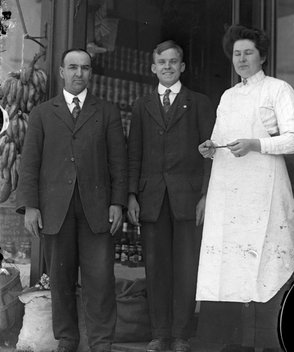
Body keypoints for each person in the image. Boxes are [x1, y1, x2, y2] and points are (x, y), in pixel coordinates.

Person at [196, 25, 294, 352]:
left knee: (264, 264)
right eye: (236, 54)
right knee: (229, 268)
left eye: (248, 53)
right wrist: (209, 148)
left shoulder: (278, 90)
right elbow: (220, 140)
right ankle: (231, 344)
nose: (241, 59)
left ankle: (268, 343)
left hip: (263, 189)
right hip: (229, 193)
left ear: (263, 56)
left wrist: (257, 144)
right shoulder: (228, 96)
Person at [16, 48, 127, 352]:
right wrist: (31, 207)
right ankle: (67, 339)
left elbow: (119, 162)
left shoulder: (107, 111)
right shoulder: (42, 113)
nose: (80, 74)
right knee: (61, 279)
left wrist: (117, 202)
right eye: (73, 67)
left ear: (91, 73)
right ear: (62, 72)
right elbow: (30, 163)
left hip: (97, 209)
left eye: (86, 68)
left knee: (100, 279)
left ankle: (101, 342)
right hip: (56, 209)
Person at [127, 40, 215, 352]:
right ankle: (158, 334)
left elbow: (210, 155)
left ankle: (180, 335)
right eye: (162, 62)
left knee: (186, 268)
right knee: (156, 267)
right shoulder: (141, 106)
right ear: (153, 68)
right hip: (152, 199)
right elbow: (133, 154)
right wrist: (131, 196)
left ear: (182, 67)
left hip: (188, 200)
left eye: (173, 61)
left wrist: (206, 195)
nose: (167, 67)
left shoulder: (200, 103)